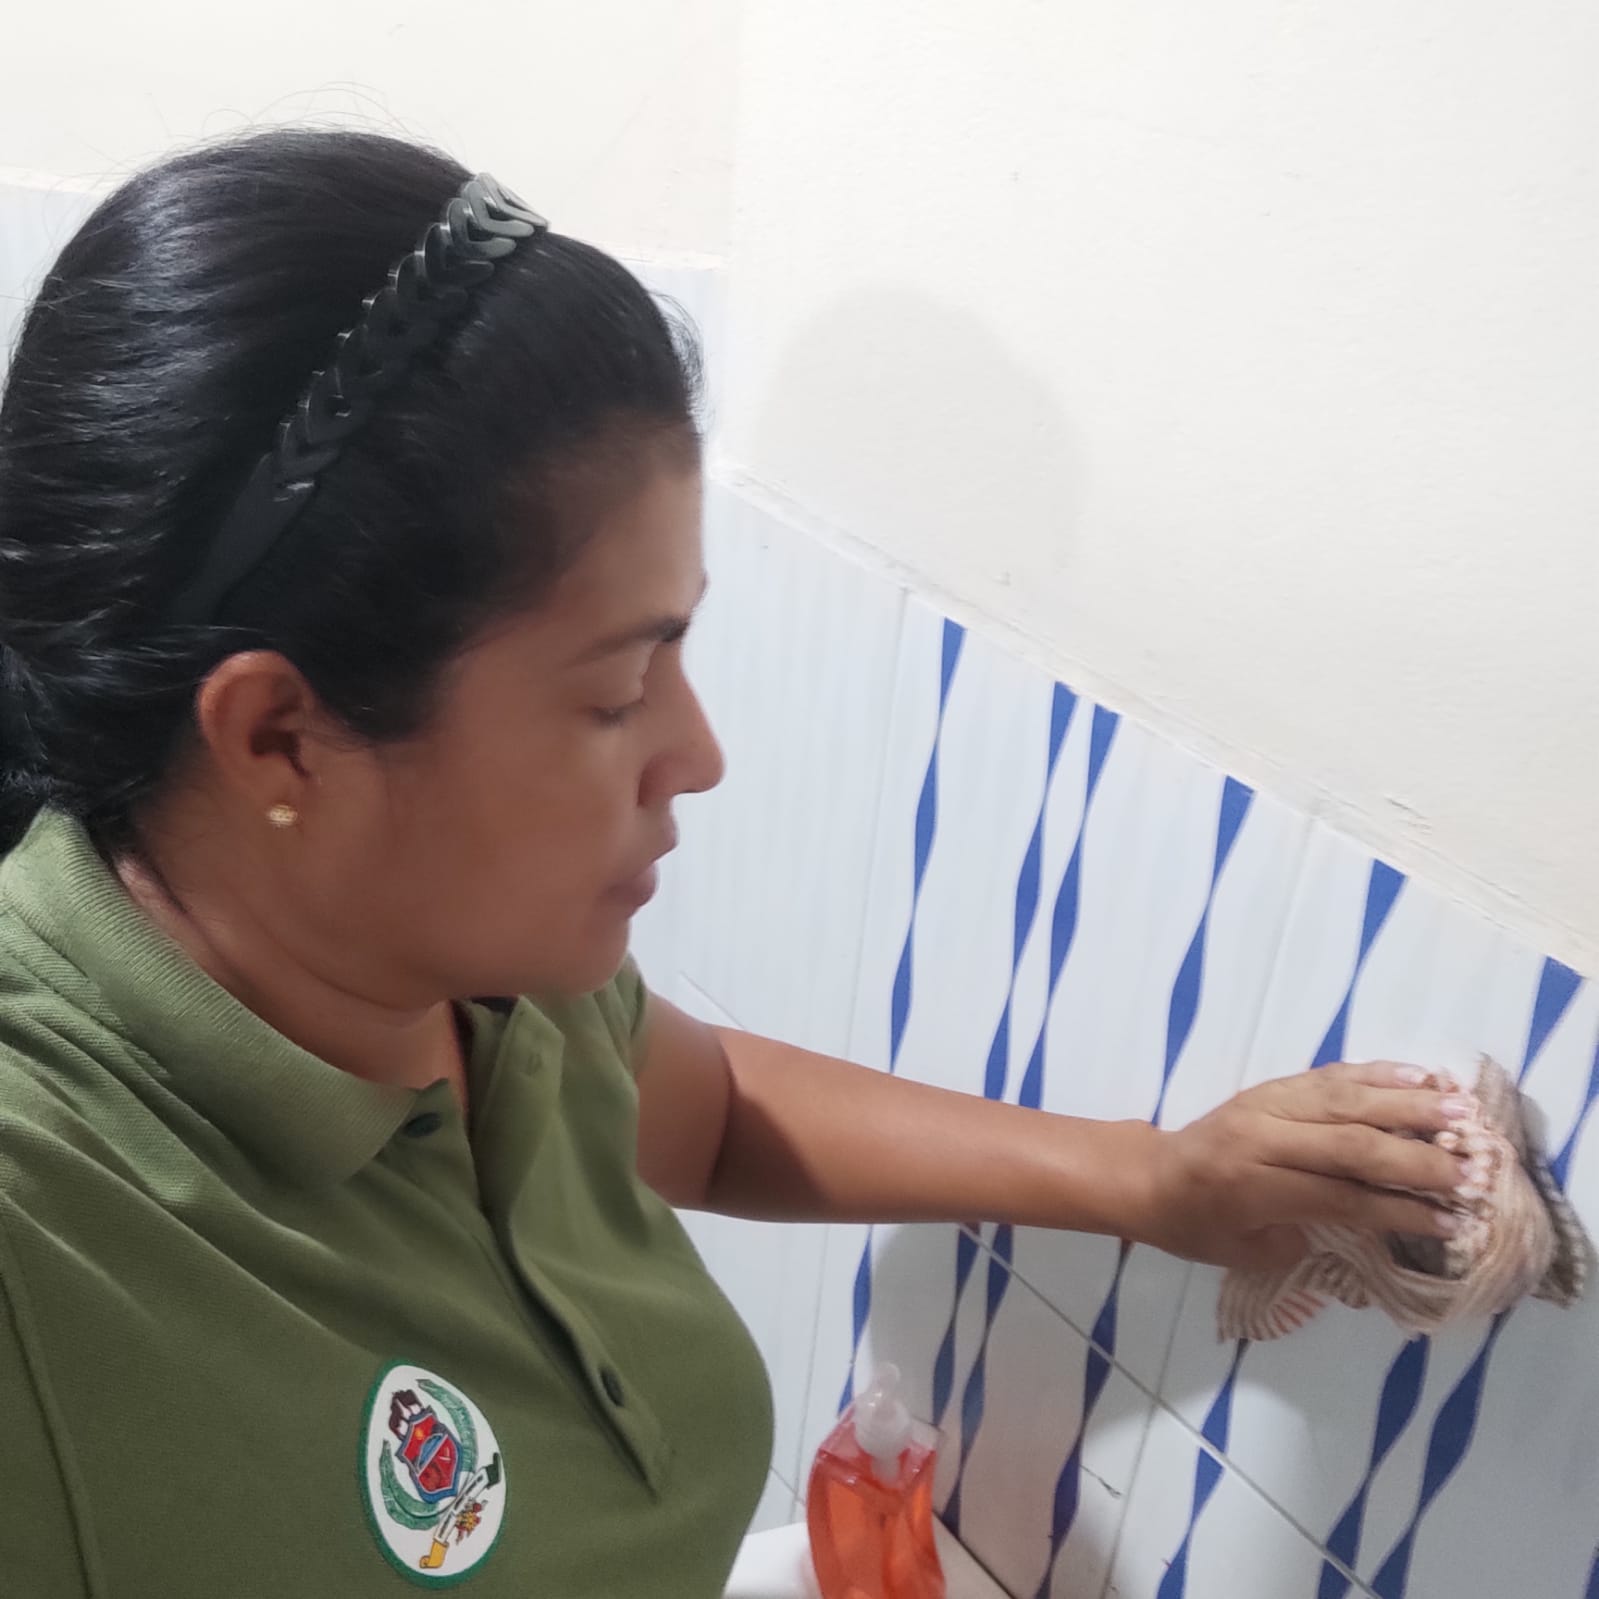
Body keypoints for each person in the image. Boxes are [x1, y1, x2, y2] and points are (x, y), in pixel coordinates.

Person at [0, 128, 1471, 1597]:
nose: (697, 753)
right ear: (279, 740)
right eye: (613, 691)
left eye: (680, 650)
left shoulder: (471, 977)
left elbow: (702, 1115)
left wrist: (1157, 1180)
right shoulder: (47, 1218)